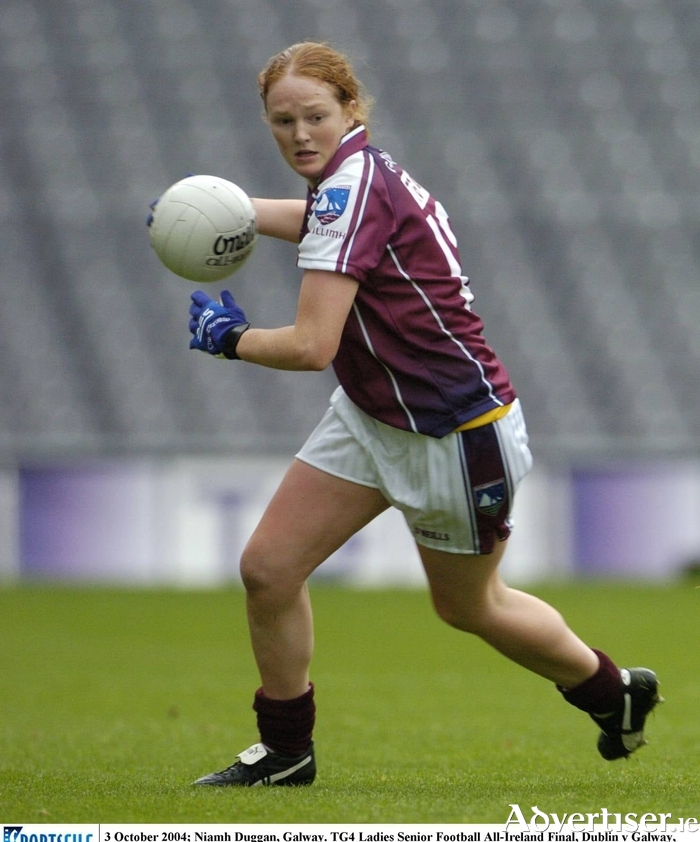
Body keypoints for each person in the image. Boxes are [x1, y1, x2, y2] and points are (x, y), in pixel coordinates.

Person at [186, 41, 661, 787]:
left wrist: (233, 339)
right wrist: (228, 212)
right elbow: (316, 218)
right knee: (269, 570)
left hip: (456, 435)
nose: (300, 134)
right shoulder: (356, 180)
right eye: (283, 121)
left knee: (471, 607)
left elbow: (313, 346)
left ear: (352, 110)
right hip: (376, 416)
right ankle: (287, 752)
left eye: (315, 115)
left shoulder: (350, 190)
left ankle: (613, 692)